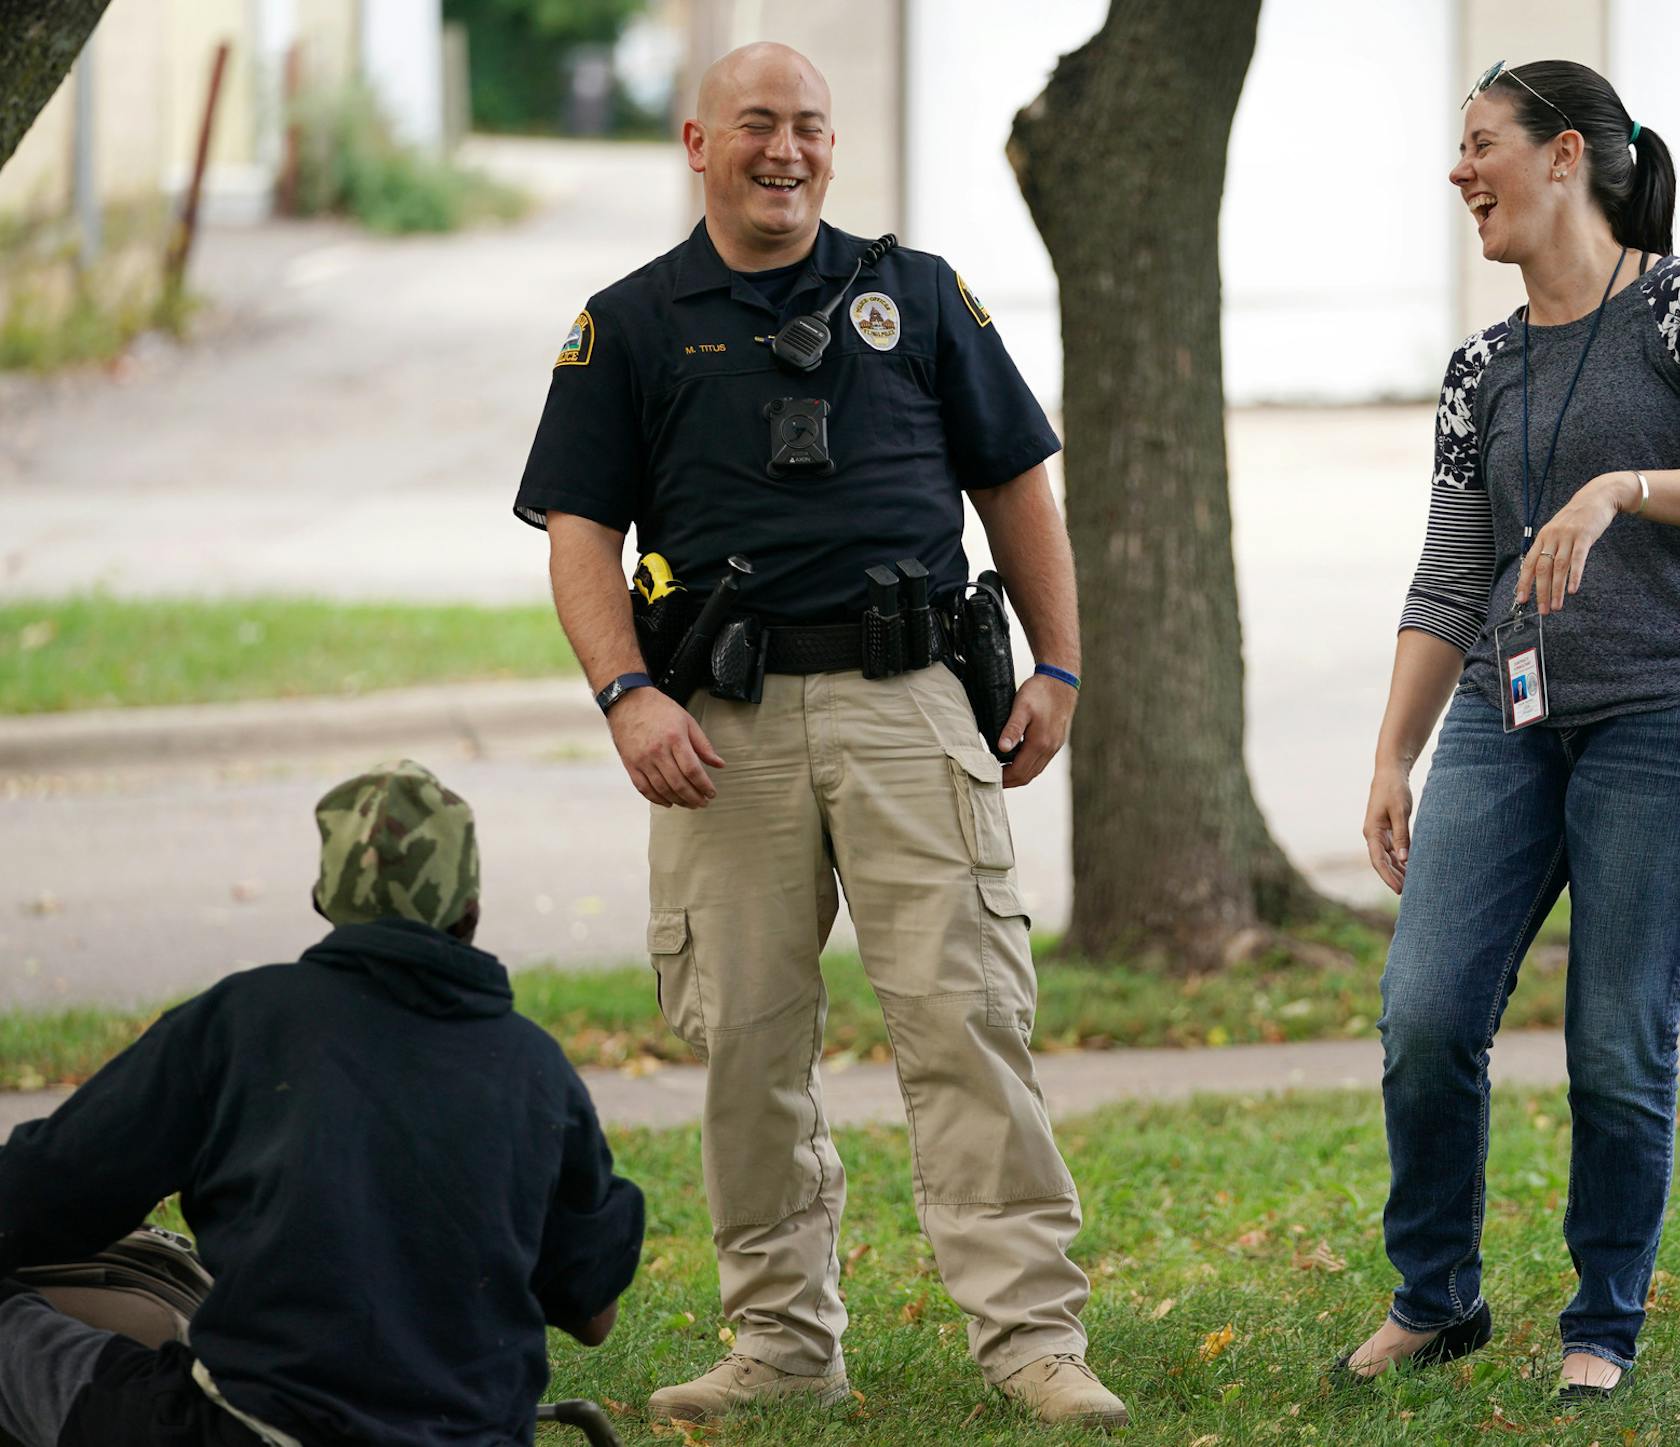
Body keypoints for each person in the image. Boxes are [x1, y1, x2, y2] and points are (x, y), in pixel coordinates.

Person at [511, 43, 1125, 1430]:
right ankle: (782, 1337)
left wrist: (1062, 665)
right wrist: (627, 694)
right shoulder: (632, 323)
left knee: (969, 1020)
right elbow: (579, 534)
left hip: (913, 706)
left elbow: (1019, 483)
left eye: (807, 128)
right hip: (716, 730)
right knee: (745, 1043)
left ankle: (1035, 1339)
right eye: (755, 127)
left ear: (833, 148)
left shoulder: (917, 295)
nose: (784, 150)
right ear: (695, 143)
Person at [1344, 59, 1680, 1396]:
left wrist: (1624, 485)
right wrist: (1394, 747)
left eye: (1481, 143)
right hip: (1508, 714)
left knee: (1614, 1036)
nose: (1459, 171)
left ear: (1565, 157)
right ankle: (1437, 1296)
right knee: (1426, 1012)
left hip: (1676, 712)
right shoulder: (1480, 365)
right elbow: (1451, 569)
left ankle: (1601, 1319)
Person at [0, 761, 645, 1447]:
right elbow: (593, 1314)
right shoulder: (537, 1069)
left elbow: (41, 1195)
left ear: (325, 901)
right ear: (471, 909)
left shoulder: (242, 1021)